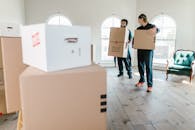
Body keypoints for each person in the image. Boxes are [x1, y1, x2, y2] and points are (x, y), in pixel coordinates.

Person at [135, 14, 159, 92]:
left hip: (148, 50)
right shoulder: (139, 28)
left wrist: (155, 30)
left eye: (139, 20)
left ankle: (150, 85)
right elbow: (136, 38)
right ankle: (141, 80)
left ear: (143, 19)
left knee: (148, 67)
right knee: (140, 66)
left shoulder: (151, 26)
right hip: (140, 49)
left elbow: (158, 30)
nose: (138, 21)